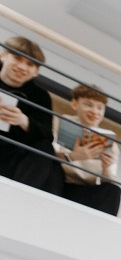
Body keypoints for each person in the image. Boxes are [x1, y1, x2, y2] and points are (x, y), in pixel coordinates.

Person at [0, 36, 63, 195]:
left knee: (45, 149)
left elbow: (47, 136)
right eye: (17, 58)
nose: (22, 67)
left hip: (11, 155)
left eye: (30, 64)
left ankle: (20, 196)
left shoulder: (40, 96)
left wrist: (24, 121)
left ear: (36, 71)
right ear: (3, 56)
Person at [53, 83, 121, 215]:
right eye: (88, 105)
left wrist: (106, 167)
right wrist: (74, 156)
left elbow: (109, 179)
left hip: (85, 188)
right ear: (75, 104)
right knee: (51, 169)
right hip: (59, 180)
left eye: (100, 108)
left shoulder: (110, 142)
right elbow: (47, 153)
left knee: (113, 190)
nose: (94, 111)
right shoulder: (60, 122)